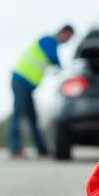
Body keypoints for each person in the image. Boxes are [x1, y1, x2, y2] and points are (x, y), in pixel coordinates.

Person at [8, 25, 75, 157]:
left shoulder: (50, 43)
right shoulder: (48, 40)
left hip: (27, 85)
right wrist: (65, 70)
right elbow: (53, 58)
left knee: (32, 117)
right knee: (19, 114)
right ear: (63, 32)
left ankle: (41, 149)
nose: (68, 41)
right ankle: (15, 147)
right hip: (20, 81)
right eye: (69, 37)